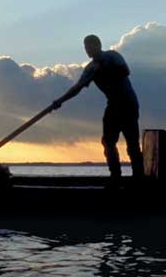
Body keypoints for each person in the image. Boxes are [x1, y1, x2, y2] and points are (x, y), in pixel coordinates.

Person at [51, 34, 144, 182]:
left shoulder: (112, 56)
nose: (87, 50)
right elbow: (77, 88)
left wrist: (103, 70)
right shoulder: (89, 69)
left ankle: (139, 178)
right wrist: (60, 101)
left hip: (128, 104)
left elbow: (125, 71)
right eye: (85, 47)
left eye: (89, 46)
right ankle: (115, 176)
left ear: (98, 45)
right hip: (113, 105)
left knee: (132, 142)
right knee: (108, 142)